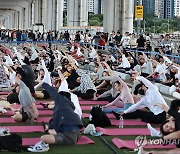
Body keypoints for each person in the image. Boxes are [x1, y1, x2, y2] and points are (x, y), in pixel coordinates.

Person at [28, 69, 83, 152]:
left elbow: (51, 90)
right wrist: (49, 127)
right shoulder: (68, 106)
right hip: (76, 133)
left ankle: (44, 146)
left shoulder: (61, 100)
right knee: (50, 131)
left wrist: (41, 81)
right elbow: (55, 119)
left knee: (43, 138)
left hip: (69, 137)